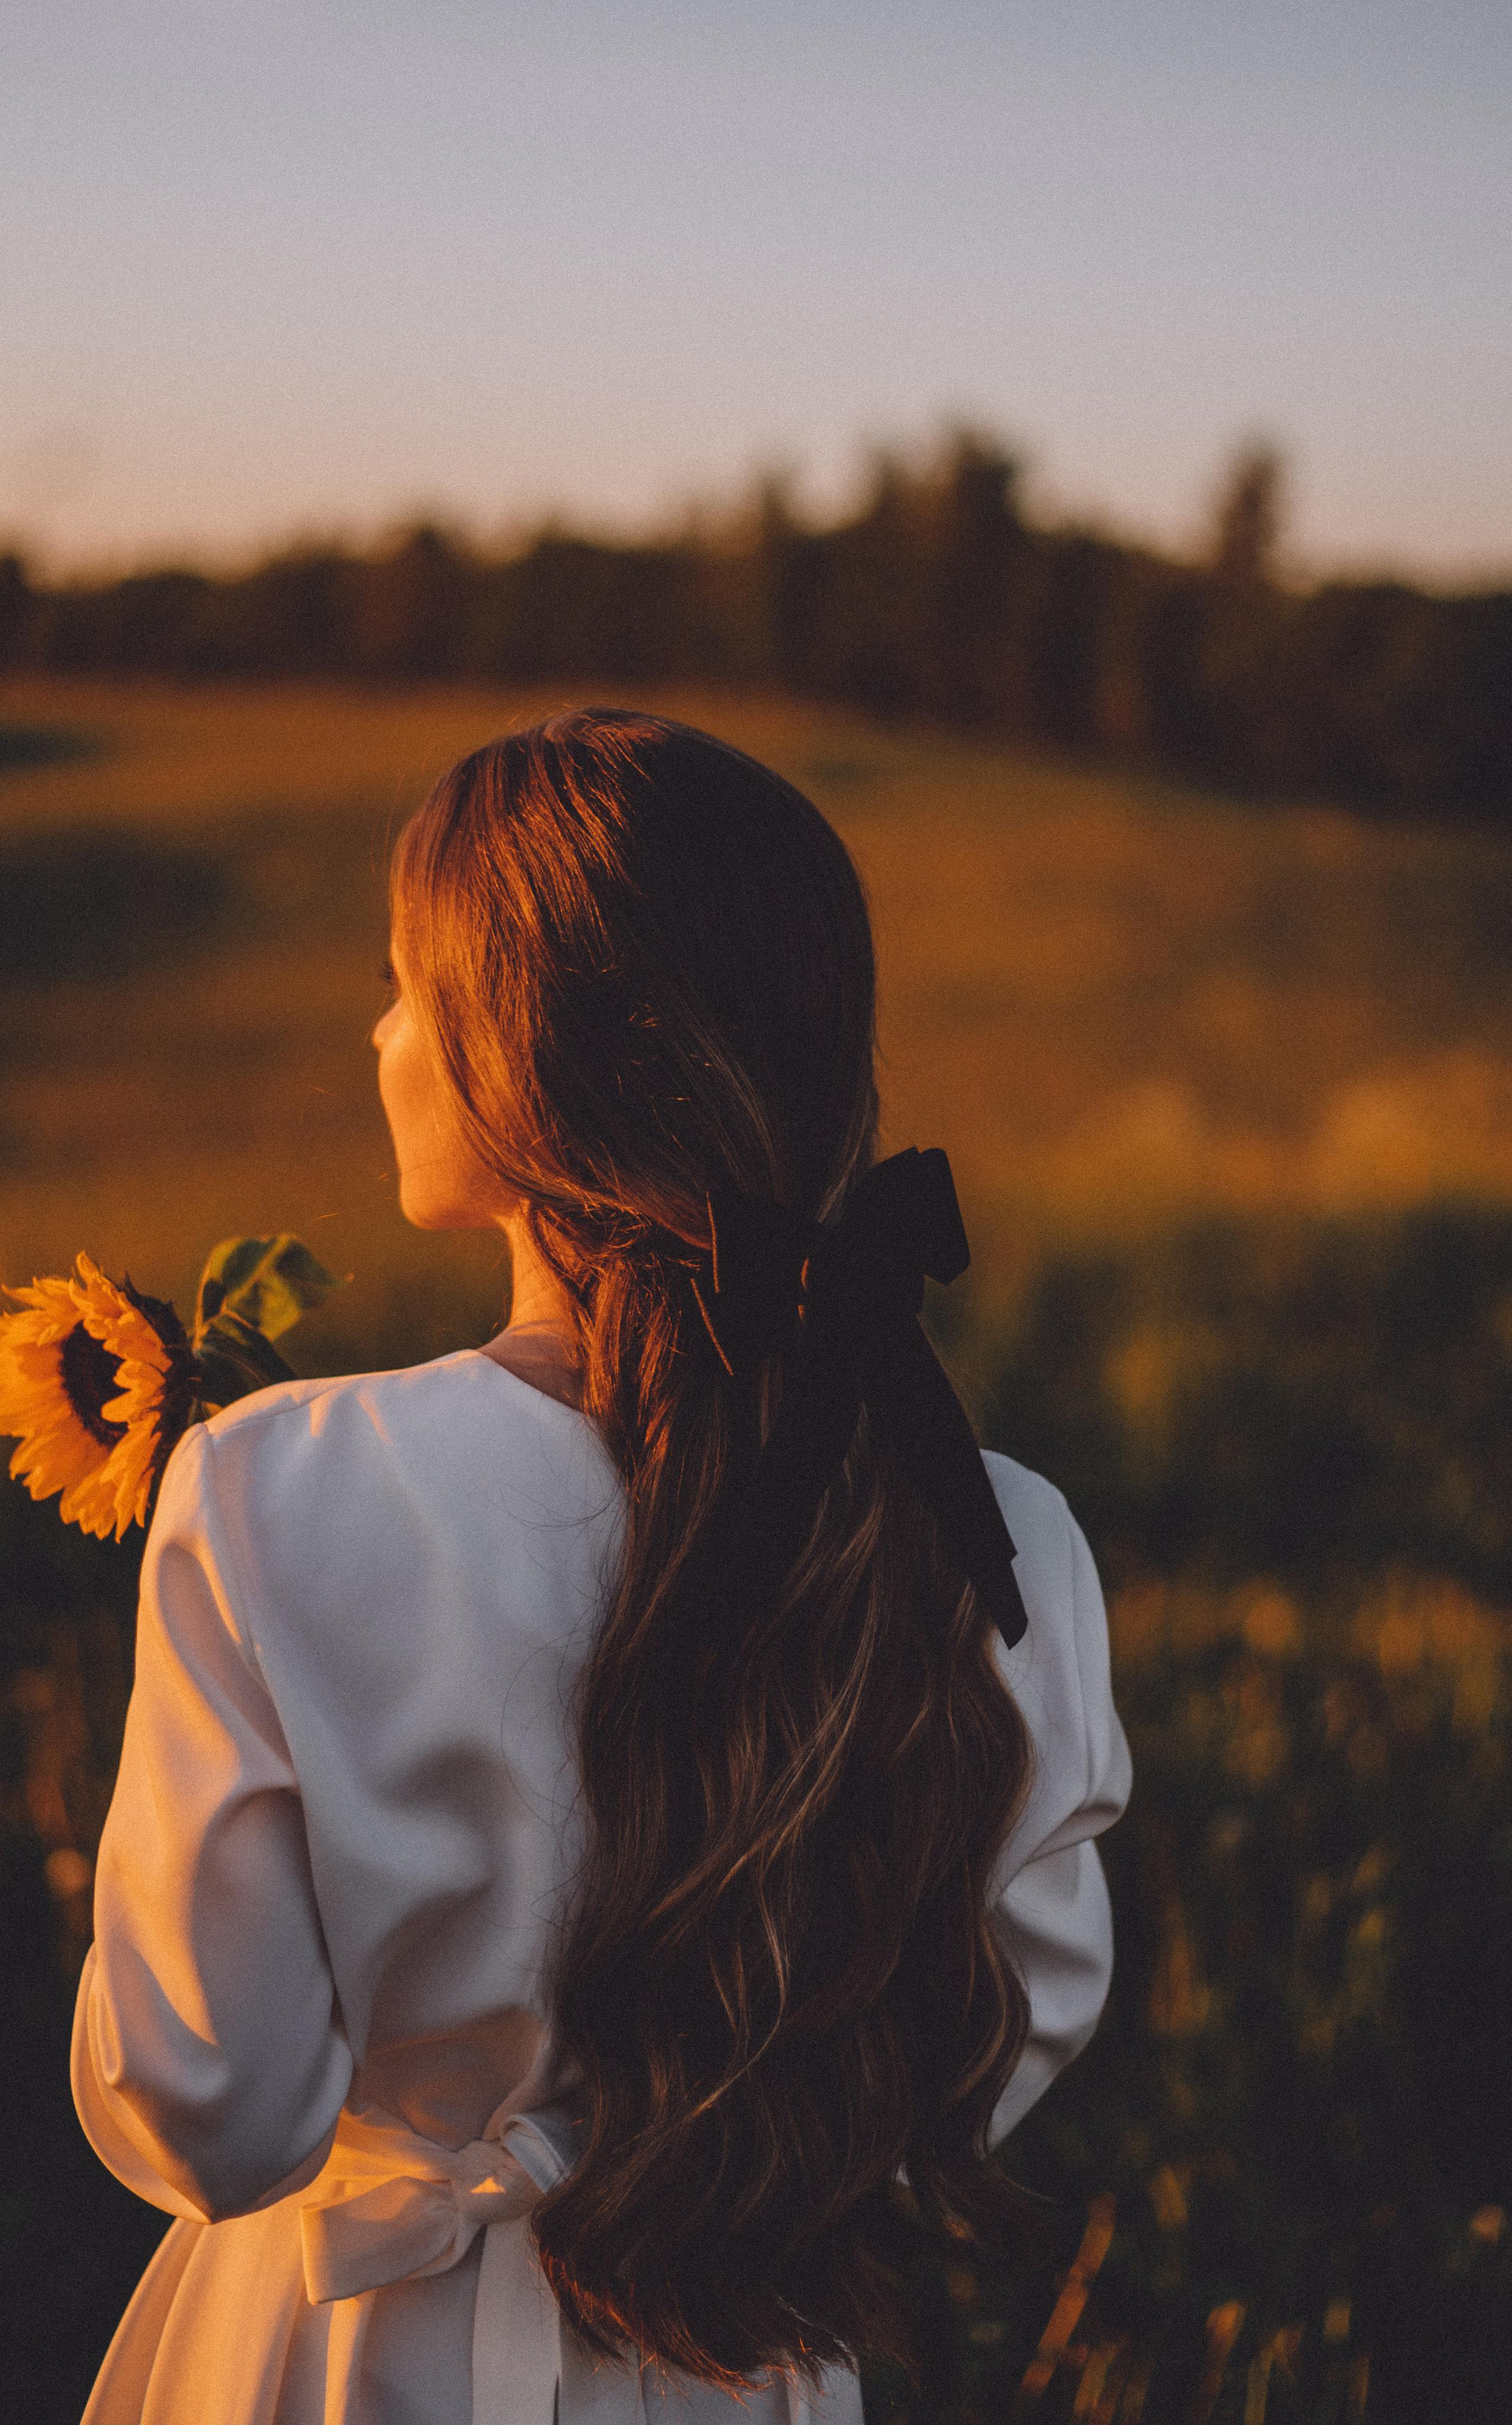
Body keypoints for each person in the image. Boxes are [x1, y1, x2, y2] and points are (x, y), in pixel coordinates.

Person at [72, 709, 1131, 2425]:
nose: (380, 1031)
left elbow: (209, 2105)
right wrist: (730, 2144)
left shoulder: (278, 1484)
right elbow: (1008, 2032)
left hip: (344, 2355)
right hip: (749, 2357)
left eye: (410, 984)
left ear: (535, 1044)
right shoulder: (996, 1536)